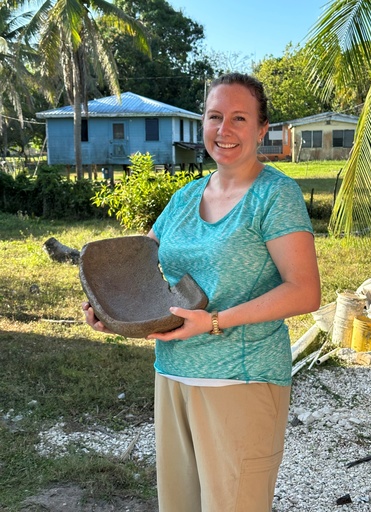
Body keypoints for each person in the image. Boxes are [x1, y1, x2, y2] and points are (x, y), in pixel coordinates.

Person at [83, 72, 321, 512]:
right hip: (172, 373)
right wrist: (106, 307)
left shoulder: (275, 195)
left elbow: (305, 292)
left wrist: (214, 322)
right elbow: (138, 263)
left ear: (262, 129)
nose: (223, 130)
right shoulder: (185, 196)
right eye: (215, 117)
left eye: (238, 118)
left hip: (240, 380)